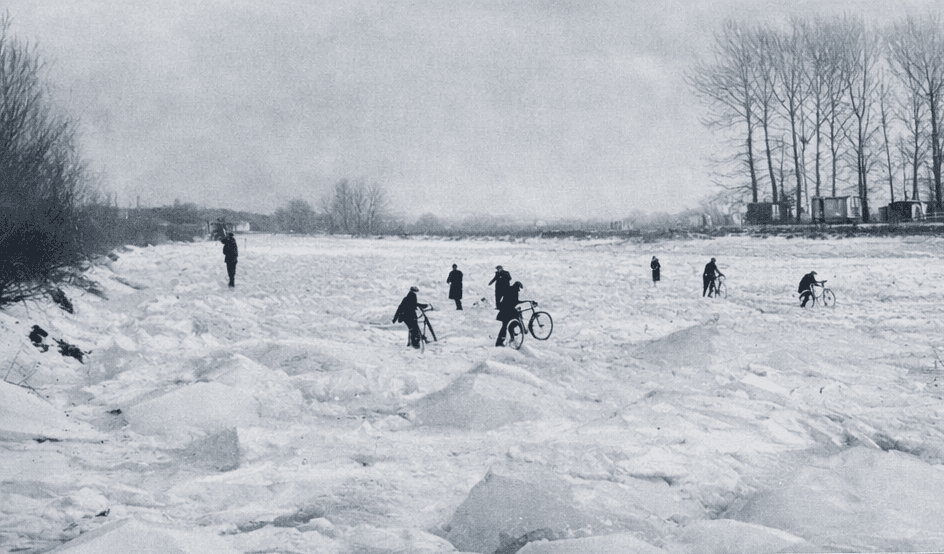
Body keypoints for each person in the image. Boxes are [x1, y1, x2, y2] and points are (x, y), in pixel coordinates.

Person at [495, 281, 523, 347]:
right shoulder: (514, 291)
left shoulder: (510, 289)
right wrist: (527, 301)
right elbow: (515, 302)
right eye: (519, 288)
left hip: (505, 310)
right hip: (507, 311)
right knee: (508, 324)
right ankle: (501, 341)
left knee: (505, 326)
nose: (519, 289)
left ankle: (502, 340)